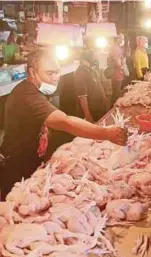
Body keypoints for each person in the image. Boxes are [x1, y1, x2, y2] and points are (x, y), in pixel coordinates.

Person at [0, 49, 127, 200]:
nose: (55, 78)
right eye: (50, 73)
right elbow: (64, 121)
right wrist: (106, 133)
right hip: (17, 164)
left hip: (34, 158)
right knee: (17, 207)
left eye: (57, 72)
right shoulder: (27, 95)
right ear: (32, 73)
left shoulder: (37, 89)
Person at [74, 49, 109, 122]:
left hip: (100, 108)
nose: (96, 59)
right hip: (93, 111)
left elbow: (99, 85)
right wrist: (87, 115)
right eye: (94, 57)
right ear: (88, 58)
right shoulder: (80, 72)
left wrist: (104, 98)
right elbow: (82, 97)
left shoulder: (91, 69)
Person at [107, 33, 127, 106]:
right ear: (117, 39)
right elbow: (118, 64)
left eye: (123, 39)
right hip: (117, 75)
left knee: (116, 93)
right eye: (121, 39)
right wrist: (124, 67)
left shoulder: (117, 48)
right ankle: (113, 110)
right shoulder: (115, 49)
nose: (123, 40)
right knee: (116, 94)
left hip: (118, 74)